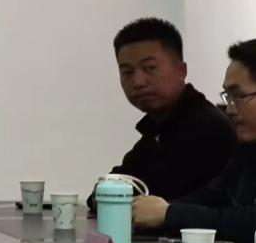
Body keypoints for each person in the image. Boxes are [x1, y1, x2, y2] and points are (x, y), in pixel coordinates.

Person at [89, 18, 235, 207]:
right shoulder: (157, 127)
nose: (138, 82)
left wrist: (112, 197)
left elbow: (164, 203)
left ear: (181, 71)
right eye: (127, 72)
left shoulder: (207, 127)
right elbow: (111, 186)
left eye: (150, 68)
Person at [134, 39, 256, 243]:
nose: (230, 109)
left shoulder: (206, 124)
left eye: (238, 96)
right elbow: (212, 196)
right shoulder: (247, 151)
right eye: (228, 97)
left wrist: (169, 213)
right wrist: (155, 210)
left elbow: (248, 221)